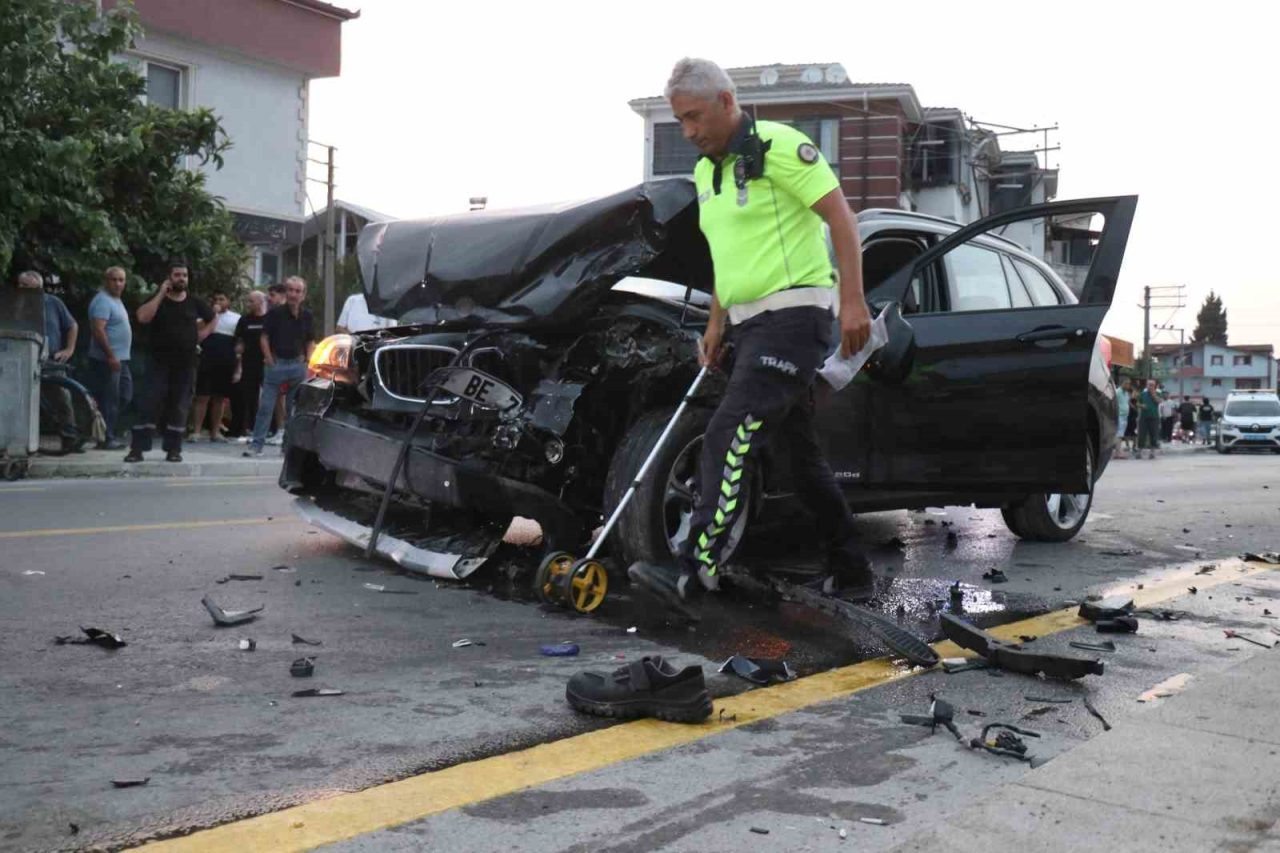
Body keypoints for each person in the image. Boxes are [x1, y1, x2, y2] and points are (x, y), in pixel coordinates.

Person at [633, 58, 874, 603]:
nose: (689, 132)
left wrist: (854, 301)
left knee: (727, 432)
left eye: (695, 117)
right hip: (747, 326)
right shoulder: (705, 173)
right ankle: (852, 568)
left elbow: (841, 219)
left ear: (725, 102)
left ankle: (696, 566)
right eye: (680, 122)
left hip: (795, 317)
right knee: (797, 456)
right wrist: (716, 324)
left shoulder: (781, 147)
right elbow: (728, 257)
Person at [126, 261, 216, 463]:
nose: (181, 279)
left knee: (179, 406)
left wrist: (201, 335)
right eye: (177, 275)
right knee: (148, 403)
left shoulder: (194, 302)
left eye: (184, 275)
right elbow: (142, 317)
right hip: (157, 361)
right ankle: (137, 449)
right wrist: (160, 294)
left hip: (185, 363)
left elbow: (212, 317)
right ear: (169, 278)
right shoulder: (158, 300)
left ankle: (173, 449)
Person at [244, 276, 315, 457]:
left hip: (298, 367)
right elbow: (264, 337)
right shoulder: (275, 313)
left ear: (303, 295)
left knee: (294, 410)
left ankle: (288, 447)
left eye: (298, 291)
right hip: (277, 365)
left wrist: (308, 362)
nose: (293, 294)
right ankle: (256, 446)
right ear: (286, 292)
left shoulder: (307, 315)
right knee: (266, 407)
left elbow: (310, 341)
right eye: (290, 290)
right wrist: (269, 359)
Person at [17, 271, 82, 454]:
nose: (26, 291)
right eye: (22, 287)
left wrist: (69, 349)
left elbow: (72, 325)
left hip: (51, 358)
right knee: (20, 398)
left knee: (61, 397)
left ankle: (70, 437)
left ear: (40, 289)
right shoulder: (13, 304)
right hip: (22, 358)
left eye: (31, 288)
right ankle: (19, 439)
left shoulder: (52, 302)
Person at [86, 266, 133, 449]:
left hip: (121, 358)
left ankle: (107, 430)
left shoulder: (116, 300)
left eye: (121, 280)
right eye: (114, 279)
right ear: (106, 281)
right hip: (107, 359)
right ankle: (106, 437)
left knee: (125, 395)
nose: (118, 283)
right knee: (110, 399)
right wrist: (111, 356)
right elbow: (98, 330)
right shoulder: (102, 301)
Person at [190, 289, 240, 441]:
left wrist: (238, 367)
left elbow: (239, 343)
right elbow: (197, 335)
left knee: (220, 398)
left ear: (228, 301)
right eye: (216, 299)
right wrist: (213, 315)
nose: (218, 302)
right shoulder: (205, 316)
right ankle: (197, 431)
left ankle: (215, 431)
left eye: (222, 299)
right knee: (202, 396)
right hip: (207, 360)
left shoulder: (236, 319)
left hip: (225, 361)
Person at [232, 291, 268, 439]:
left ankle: (268, 429)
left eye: (251, 301)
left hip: (266, 362)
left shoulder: (269, 319)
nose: (248, 304)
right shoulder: (244, 320)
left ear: (260, 302)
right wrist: (238, 357)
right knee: (248, 397)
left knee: (268, 397)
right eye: (248, 301)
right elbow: (239, 340)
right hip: (248, 362)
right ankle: (246, 428)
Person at [1138, 379, 1162, 460]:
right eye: (1149, 385)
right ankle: (1140, 451)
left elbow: (1159, 401)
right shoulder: (1143, 394)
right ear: (1146, 385)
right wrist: (1141, 406)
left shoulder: (1158, 393)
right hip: (1143, 417)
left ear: (1155, 386)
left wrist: (1153, 394)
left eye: (1152, 385)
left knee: (1154, 434)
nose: (1150, 386)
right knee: (1142, 434)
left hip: (1154, 417)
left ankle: (1152, 452)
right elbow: (1138, 403)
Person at [1114, 378, 1131, 458]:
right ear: (1122, 383)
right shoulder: (1117, 392)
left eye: (1128, 384)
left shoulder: (1126, 393)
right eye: (1126, 383)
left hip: (1125, 416)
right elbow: (1113, 403)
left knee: (1121, 434)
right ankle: (1118, 452)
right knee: (1119, 434)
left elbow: (1127, 403)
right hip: (1119, 415)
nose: (1128, 385)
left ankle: (1118, 451)